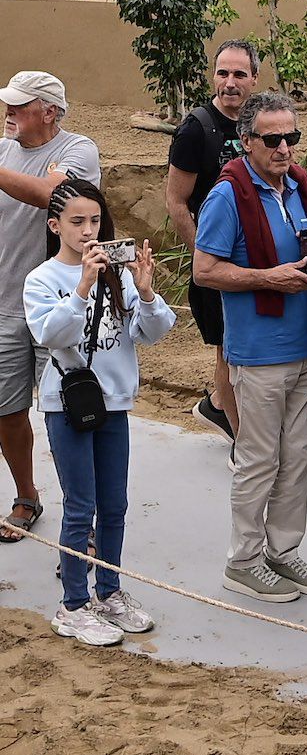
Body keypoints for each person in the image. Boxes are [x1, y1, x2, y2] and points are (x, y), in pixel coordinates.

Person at [195, 90, 307, 602]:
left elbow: (306, 247)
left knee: (297, 455)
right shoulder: (227, 195)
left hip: (303, 345)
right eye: (271, 139)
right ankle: (244, 560)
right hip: (257, 353)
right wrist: (266, 278)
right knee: (258, 459)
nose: (283, 148)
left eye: (291, 137)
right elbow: (204, 271)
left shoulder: (297, 186)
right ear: (246, 141)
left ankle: (283, 550)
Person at [25, 178, 174, 645]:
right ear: (55, 226)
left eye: (95, 221)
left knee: (115, 504)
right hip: (67, 403)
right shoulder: (42, 279)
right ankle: (72, 605)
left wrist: (145, 292)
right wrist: (83, 286)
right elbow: (51, 334)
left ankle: (109, 592)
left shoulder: (121, 273)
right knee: (79, 507)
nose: (89, 231)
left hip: (114, 402)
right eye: (77, 223)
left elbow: (153, 332)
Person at [0, 70, 100, 542]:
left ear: (50, 111)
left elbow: (55, 197)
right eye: (9, 104)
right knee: (6, 409)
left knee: (69, 411)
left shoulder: (77, 151)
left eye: (19, 106)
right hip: (4, 304)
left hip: (61, 305)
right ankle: (27, 495)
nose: (9, 113)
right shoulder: (5, 149)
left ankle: (84, 520)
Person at [164, 40, 259, 441]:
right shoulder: (196, 129)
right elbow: (176, 200)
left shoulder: (262, 125)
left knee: (249, 350)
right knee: (228, 351)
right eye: (222, 73)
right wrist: (206, 259)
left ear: (255, 79)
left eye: (239, 74)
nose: (230, 82)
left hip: (258, 262)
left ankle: (218, 406)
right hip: (219, 264)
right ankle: (242, 439)